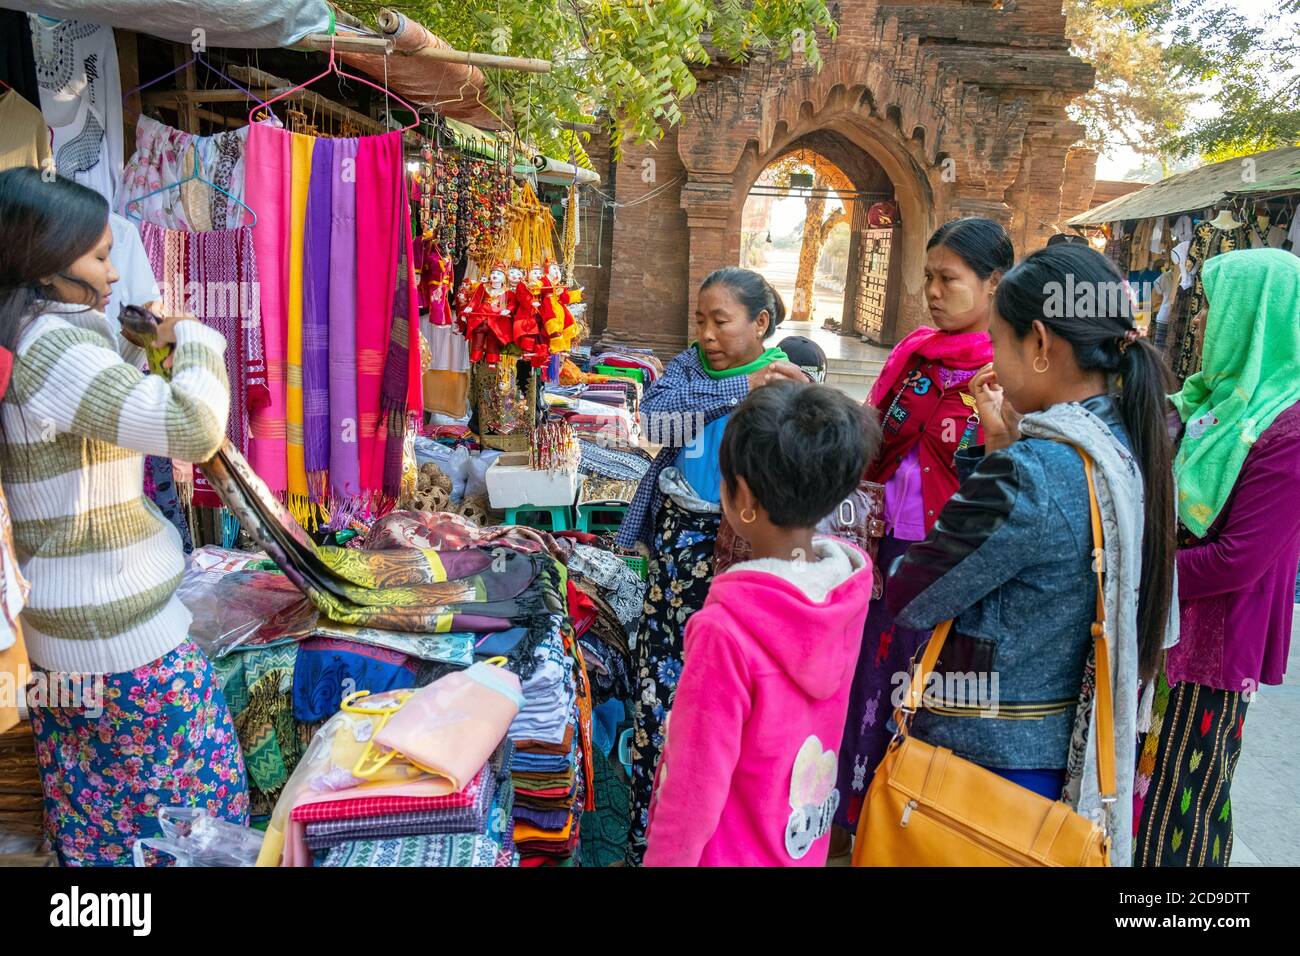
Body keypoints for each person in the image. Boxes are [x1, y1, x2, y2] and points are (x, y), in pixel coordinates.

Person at [878, 244, 1177, 865]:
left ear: (1040, 343)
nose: (992, 358)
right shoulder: (1125, 441)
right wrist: (999, 448)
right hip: (1062, 755)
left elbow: (912, 591)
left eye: (999, 342)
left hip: (989, 770)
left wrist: (998, 461)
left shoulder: (1034, 471)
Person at [0, 167, 248, 866]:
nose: (114, 273)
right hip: (124, 653)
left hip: (70, 645)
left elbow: (106, 420)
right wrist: (197, 338)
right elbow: (195, 428)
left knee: (101, 828)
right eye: (101, 256)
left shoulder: (36, 339)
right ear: (45, 263)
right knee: (195, 830)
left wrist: (146, 350)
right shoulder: (58, 349)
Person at [643, 381, 880, 866]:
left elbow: (692, 792)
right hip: (798, 848)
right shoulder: (844, 593)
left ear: (741, 498)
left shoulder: (727, 629)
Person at [832, 217, 1013, 848]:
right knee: (871, 681)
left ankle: (911, 829)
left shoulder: (1008, 372)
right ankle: (855, 815)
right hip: (886, 546)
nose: (933, 292)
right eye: (928, 278)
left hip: (951, 557)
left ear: (994, 283)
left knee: (927, 689)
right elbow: (871, 432)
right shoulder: (915, 354)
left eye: (949, 279)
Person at [615, 266, 805, 864]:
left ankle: (715, 832)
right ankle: (652, 822)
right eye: (701, 320)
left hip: (741, 550)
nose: (707, 334)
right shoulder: (689, 371)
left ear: (761, 323)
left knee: (722, 689)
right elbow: (655, 423)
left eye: (720, 320)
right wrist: (735, 394)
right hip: (679, 545)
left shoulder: (786, 383)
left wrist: (784, 399)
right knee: (662, 675)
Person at [1135, 248, 1300, 866]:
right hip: (1166, 623)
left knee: (1187, 797)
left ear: (1256, 319)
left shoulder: (1287, 429)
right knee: (1148, 782)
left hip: (1214, 640)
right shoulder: (1211, 401)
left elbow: (1239, 559)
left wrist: (1137, 573)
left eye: (1213, 310)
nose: (1199, 324)